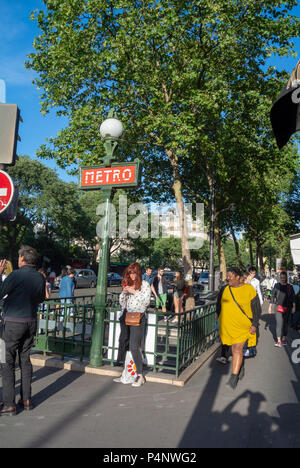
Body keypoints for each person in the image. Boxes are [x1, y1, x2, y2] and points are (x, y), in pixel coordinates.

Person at [0, 246, 46, 415]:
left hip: (12, 323)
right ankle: (26, 399)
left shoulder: (16, 275)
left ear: (22, 259)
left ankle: (9, 403)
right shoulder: (40, 278)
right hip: (30, 322)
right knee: (25, 360)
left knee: (7, 362)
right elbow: (41, 298)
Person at [217, 267, 261, 389]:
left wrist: (255, 324)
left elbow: (257, 308)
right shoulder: (224, 289)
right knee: (235, 349)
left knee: (237, 349)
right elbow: (218, 306)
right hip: (228, 327)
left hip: (244, 327)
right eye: (227, 276)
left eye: (231, 276)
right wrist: (219, 320)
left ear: (237, 277)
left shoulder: (249, 289)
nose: (228, 278)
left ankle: (233, 377)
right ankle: (240, 366)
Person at [114, 262, 151, 387]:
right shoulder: (129, 284)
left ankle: (140, 376)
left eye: (134, 272)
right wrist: (124, 293)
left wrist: (134, 292)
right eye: (130, 273)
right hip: (128, 316)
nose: (132, 275)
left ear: (138, 273)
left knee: (134, 346)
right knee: (126, 344)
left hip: (138, 317)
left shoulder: (145, 285)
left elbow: (146, 302)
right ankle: (127, 374)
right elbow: (122, 303)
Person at [269, 271, 296, 347]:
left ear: (286, 278)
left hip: (288, 307)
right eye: (281, 277)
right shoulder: (276, 285)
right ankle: (278, 341)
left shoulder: (289, 286)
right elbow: (272, 296)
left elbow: (293, 297)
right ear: (279, 277)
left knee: (285, 324)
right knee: (279, 323)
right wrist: (270, 307)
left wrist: (294, 307)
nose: (283, 279)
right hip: (278, 307)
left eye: (284, 278)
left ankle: (283, 339)